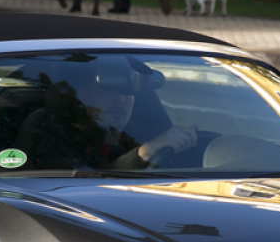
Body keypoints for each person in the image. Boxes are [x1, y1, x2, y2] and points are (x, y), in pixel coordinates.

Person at [17, 60, 197, 170]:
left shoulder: (137, 133)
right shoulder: (56, 136)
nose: (119, 100)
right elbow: (83, 188)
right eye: (109, 90)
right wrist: (147, 151)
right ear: (83, 95)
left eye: (127, 93)